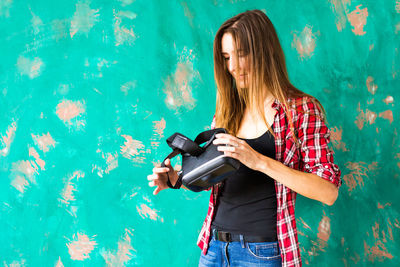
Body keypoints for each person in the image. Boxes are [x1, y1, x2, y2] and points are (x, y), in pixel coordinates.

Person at [148, 9, 341, 267]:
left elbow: (328, 192)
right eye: (227, 57)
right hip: (213, 249)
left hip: (262, 253)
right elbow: (215, 177)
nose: (232, 66)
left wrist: (259, 161)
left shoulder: (302, 110)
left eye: (241, 54)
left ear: (264, 51)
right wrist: (176, 180)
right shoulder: (228, 108)